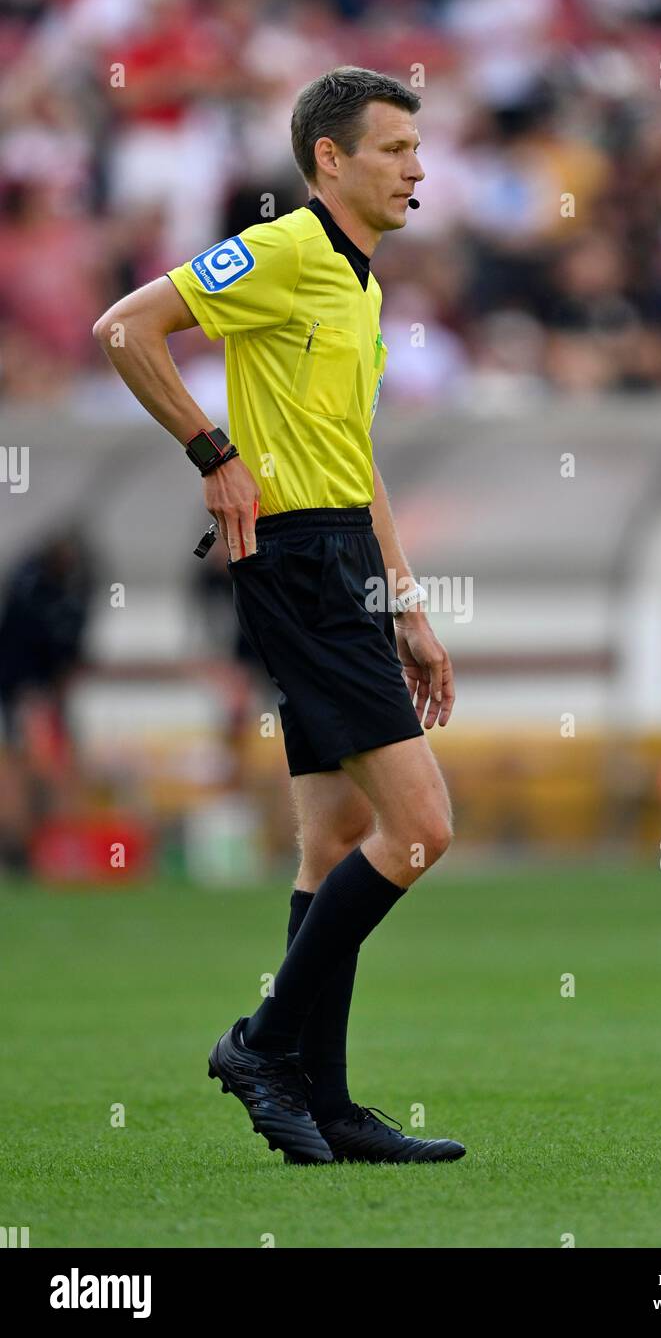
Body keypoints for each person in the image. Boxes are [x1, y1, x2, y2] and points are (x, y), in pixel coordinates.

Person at [93, 67, 463, 1165]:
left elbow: (357, 461)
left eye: (418, 147)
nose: (418, 168)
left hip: (342, 552)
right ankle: (262, 1044)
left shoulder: (361, 284)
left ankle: (331, 1103)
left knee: (335, 838)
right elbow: (127, 329)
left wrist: (406, 603)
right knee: (422, 829)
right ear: (330, 160)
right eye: (394, 149)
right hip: (295, 559)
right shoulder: (287, 248)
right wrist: (213, 454)